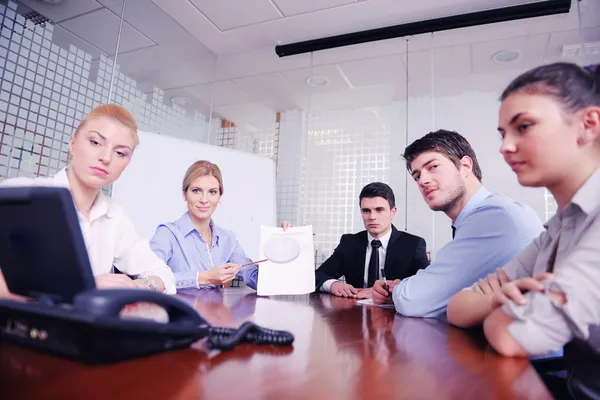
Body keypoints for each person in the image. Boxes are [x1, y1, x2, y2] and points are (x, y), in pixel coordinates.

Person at [446, 63, 600, 398]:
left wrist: (497, 307)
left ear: (588, 125)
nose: (505, 147)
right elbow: (457, 307)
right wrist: (501, 304)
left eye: (523, 127)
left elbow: (511, 338)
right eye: (503, 134)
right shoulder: (559, 227)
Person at [0, 104, 176, 295]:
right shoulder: (20, 193)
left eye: (120, 153)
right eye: (95, 142)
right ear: (72, 143)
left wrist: (136, 285)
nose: (106, 157)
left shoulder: (115, 216)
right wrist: (86, 286)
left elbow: (164, 275)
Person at [372, 130, 543, 317]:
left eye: (433, 167)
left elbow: (414, 300)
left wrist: (397, 290)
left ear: (465, 166)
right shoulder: (482, 216)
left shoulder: (495, 217)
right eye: (417, 176)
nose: (423, 181)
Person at [150, 160, 259, 290]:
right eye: (196, 191)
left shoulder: (227, 239)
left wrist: (283, 241)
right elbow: (149, 278)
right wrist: (204, 277)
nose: (204, 200)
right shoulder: (167, 234)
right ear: (184, 194)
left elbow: (255, 278)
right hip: (178, 310)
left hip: (216, 310)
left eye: (212, 192)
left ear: (219, 197)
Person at [313, 182, 429, 299]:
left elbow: (426, 284)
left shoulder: (413, 244)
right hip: (354, 312)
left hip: (394, 313)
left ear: (392, 212)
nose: (372, 217)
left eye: (379, 210)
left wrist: (393, 289)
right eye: (366, 211)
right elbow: (318, 275)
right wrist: (332, 284)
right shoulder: (349, 243)